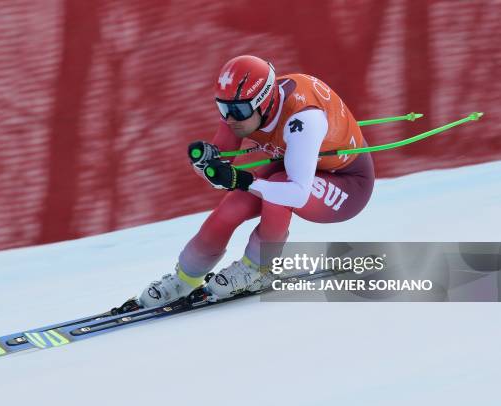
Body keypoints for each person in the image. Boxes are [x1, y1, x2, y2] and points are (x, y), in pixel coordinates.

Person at [139, 55, 375, 307]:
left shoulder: (304, 120)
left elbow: (297, 193)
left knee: (277, 187)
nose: (229, 119)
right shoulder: (242, 107)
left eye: (237, 111)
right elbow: (221, 166)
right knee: (233, 206)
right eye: (222, 108)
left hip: (347, 184)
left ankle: (258, 268)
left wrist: (243, 180)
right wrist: (206, 164)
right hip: (295, 164)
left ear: (263, 103)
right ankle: (184, 278)